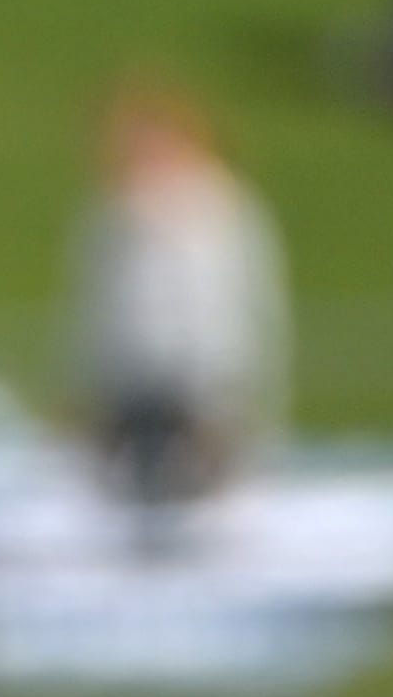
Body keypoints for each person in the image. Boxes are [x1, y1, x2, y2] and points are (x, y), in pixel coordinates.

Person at [67, 74, 292, 503]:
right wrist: (84, 390)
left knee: (207, 505)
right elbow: (94, 313)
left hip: (200, 388)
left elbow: (239, 309)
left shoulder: (218, 209)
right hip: (126, 386)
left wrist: (233, 402)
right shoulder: (108, 213)